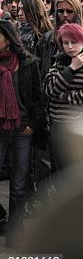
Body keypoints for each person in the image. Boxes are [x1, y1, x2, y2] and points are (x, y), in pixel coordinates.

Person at [0, 20, 45, 245]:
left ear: (8, 39)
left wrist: (33, 125)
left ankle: (15, 232)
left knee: (19, 182)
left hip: (22, 128)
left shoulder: (28, 64)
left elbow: (37, 97)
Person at [43, 23, 83, 169]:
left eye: (74, 42)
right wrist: (71, 69)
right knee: (60, 171)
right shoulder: (59, 61)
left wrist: (63, 97)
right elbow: (49, 89)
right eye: (66, 43)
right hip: (60, 126)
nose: (70, 47)